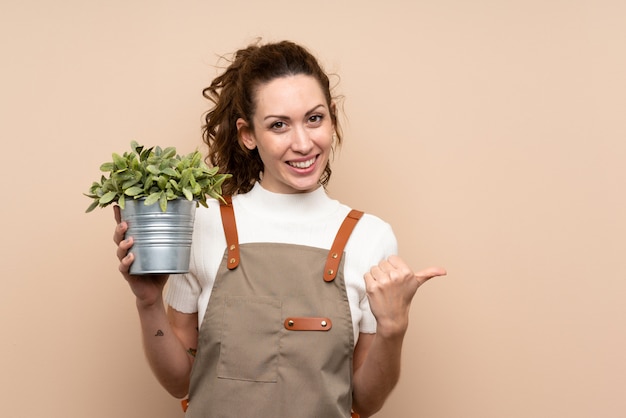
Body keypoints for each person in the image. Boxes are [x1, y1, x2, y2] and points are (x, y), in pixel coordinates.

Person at [113, 40, 446, 418]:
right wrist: (148, 303)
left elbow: (365, 402)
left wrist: (393, 328)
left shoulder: (370, 236)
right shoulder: (204, 223)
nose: (303, 143)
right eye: (278, 125)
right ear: (247, 134)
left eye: (314, 118)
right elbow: (180, 383)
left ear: (332, 118)